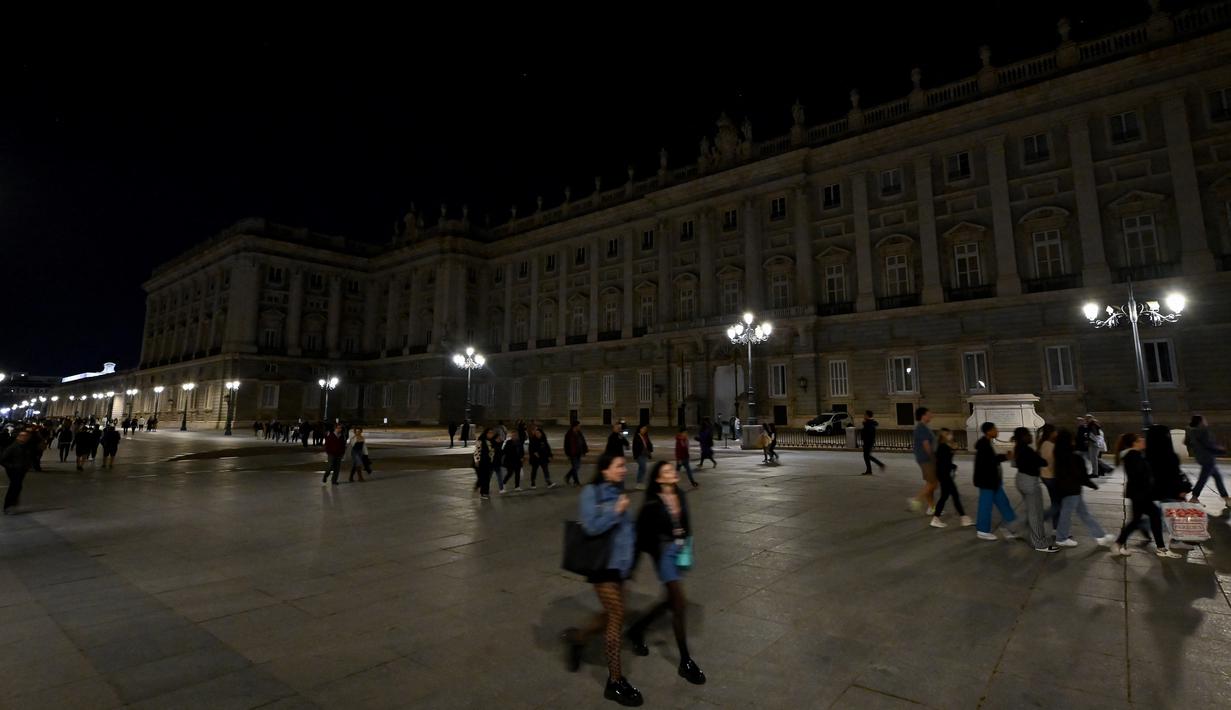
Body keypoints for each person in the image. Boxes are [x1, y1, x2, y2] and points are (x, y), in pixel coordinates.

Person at [562, 454, 643, 707]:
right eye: (619, 466)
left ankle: (578, 639)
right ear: (605, 470)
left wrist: (630, 564)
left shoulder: (618, 491)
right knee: (617, 615)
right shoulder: (591, 492)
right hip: (601, 565)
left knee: (610, 614)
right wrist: (614, 510)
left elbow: (627, 531)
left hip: (618, 566)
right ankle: (615, 682)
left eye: (624, 465)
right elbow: (590, 527)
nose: (624, 469)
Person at [628, 461, 706, 686]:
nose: (673, 473)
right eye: (667, 471)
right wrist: (631, 568)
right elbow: (639, 537)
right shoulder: (651, 504)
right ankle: (685, 661)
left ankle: (637, 629)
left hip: (678, 551)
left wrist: (686, 548)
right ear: (659, 479)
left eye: (673, 469)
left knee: (670, 601)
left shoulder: (680, 494)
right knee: (679, 604)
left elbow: (686, 524)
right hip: (662, 553)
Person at [1112, 431, 1182, 558]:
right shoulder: (1133, 455)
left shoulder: (1134, 454)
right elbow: (1138, 475)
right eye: (1140, 439)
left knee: (1136, 521)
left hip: (1138, 493)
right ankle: (1161, 548)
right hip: (1141, 494)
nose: (1143, 440)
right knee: (1153, 516)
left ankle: (1118, 544)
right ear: (1134, 443)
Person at [1052, 429, 1114, 548]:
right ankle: (1061, 538)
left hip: (1066, 489)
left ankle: (1100, 536)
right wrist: (1092, 485)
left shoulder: (1059, 454)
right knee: (1068, 513)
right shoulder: (1073, 457)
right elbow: (1080, 476)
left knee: (1083, 513)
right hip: (1072, 490)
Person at [973, 422, 1026, 543]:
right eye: (995, 429)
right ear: (989, 431)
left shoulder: (985, 443)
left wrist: (1004, 457)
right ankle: (982, 531)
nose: (997, 431)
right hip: (987, 482)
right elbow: (989, 462)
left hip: (993, 481)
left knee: (1004, 503)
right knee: (985, 506)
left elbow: (991, 460)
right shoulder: (983, 445)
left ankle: (1011, 527)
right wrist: (1005, 457)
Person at [1012, 427, 1058, 552]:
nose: (1030, 437)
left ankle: (1014, 529)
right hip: (1030, 482)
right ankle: (1040, 543)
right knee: (1036, 513)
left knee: (1031, 510)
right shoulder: (1027, 450)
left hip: (1021, 479)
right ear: (1023, 437)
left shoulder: (1018, 448)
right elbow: (1043, 462)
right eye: (1028, 434)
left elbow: (1014, 463)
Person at [930, 429, 970, 527]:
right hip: (944, 475)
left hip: (943, 474)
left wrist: (953, 450)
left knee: (945, 496)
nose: (951, 436)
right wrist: (953, 466)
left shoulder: (942, 446)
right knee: (954, 496)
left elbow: (945, 460)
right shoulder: (943, 447)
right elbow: (945, 462)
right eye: (949, 434)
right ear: (944, 436)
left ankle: (936, 519)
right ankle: (964, 518)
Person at [1187, 415, 1229, 508]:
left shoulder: (1192, 431)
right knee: (1203, 478)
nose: (1206, 421)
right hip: (1208, 458)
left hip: (1201, 457)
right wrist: (1220, 450)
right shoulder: (1203, 431)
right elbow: (1208, 445)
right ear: (1200, 422)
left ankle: (1226, 497)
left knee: (1217, 477)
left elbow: (1187, 442)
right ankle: (1194, 497)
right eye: (1204, 420)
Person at [1146, 424, 1190, 502]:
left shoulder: (1146, 457)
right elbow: (1175, 475)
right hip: (1170, 495)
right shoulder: (1170, 456)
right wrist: (1181, 490)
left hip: (1151, 497)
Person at [910, 407, 938, 514]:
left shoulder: (924, 427)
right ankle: (916, 499)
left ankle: (932, 508)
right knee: (933, 483)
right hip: (926, 460)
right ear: (923, 415)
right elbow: (926, 445)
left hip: (925, 459)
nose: (931, 415)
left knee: (929, 483)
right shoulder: (921, 428)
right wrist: (933, 458)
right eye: (929, 414)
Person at [2, 429, 33, 514]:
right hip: (14, 471)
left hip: (21, 470)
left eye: (26, 436)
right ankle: (8, 506)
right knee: (14, 487)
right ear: (18, 437)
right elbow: (2, 459)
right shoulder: (13, 447)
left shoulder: (25, 446)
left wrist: (27, 466)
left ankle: (12, 504)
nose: (25, 438)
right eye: (23, 436)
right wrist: (12, 467)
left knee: (17, 487)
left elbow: (27, 457)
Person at [1036, 424, 1061, 528]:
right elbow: (1051, 462)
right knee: (1058, 504)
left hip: (1046, 476)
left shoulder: (1043, 443)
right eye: (1055, 431)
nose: (1057, 433)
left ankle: (1056, 526)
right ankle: (1042, 517)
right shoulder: (1049, 445)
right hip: (1051, 477)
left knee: (1056, 502)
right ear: (1051, 433)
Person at [475, 428, 497, 499]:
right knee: (484, 478)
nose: (491, 434)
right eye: (489, 433)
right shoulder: (481, 441)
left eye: (492, 433)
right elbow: (477, 451)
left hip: (490, 462)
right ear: (486, 433)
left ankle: (486, 492)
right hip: (483, 461)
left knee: (488, 478)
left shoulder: (492, 441)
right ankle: (483, 493)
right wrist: (477, 460)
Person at [860, 410, 885, 475]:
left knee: (867, 456)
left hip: (868, 442)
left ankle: (879, 465)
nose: (864, 416)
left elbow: (869, 432)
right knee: (866, 456)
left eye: (865, 415)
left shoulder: (869, 423)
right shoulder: (869, 422)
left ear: (867, 415)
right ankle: (870, 470)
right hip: (867, 441)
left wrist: (865, 424)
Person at [564, 421, 588, 486]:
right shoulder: (568, 434)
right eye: (579, 426)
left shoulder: (579, 433)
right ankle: (576, 482)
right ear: (575, 426)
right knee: (575, 467)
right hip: (572, 454)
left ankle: (568, 476)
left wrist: (584, 450)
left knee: (577, 467)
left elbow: (583, 441)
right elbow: (566, 445)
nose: (580, 427)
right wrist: (567, 454)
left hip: (578, 453)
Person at [632, 424, 653, 490]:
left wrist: (650, 450)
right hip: (639, 455)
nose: (644, 430)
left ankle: (639, 483)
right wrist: (636, 455)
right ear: (639, 429)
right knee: (643, 468)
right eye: (643, 428)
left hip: (644, 455)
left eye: (645, 429)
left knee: (642, 468)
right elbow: (635, 447)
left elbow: (649, 444)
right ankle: (639, 483)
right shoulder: (637, 436)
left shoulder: (645, 436)